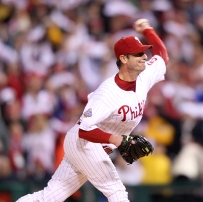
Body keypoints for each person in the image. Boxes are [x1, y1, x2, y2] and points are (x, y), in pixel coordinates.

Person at [16, 18, 169, 202]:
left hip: (94, 148)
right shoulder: (107, 94)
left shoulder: (144, 76)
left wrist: (148, 30)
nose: (144, 56)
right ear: (123, 59)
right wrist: (118, 140)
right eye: (138, 54)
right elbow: (84, 129)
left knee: (50, 197)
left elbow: (162, 57)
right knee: (117, 193)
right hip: (83, 144)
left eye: (144, 52)